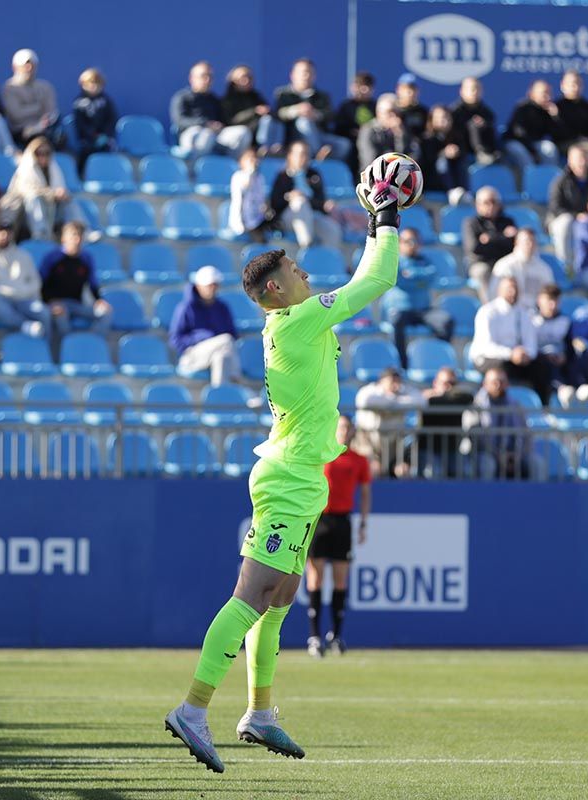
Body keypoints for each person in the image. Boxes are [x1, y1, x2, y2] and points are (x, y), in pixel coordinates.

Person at [165, 176, 403, 771]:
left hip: (303, 473)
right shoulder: (296, 320)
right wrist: (386, 215)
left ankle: (260, 712)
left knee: (280, 599)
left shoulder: (294, 323)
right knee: (253, 593)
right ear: (275, 287)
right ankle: (193, 709)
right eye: (296, 268)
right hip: (290, 475)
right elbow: (376, 280)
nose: (306, 273)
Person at [305, 415, 371, 657]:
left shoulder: (359, 460)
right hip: (320, 520)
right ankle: (314, 636)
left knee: (341, 579)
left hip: (343, 521)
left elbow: (365, 493)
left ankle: (336, 634)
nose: (343, 431)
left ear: (352, 431)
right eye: (340, 427)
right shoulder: (321, 454)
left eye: (347, 427)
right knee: (316, 577)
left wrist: (364, 523)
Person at [471, 277, 552, 405]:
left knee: (542, 364)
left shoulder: (523, 313)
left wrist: (526, 355)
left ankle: (544, 408)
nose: (512, 292)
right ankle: (501, 407)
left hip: (517, 358)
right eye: (509, 288)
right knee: (503, 369)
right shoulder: (488, 312)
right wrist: (511, 354)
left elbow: (531, 343)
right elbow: (487, 346)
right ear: (499, 290)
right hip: (489, 358)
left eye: (515, 288)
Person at [383, 228, 455, 369]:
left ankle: (437, 360)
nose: (411, 245)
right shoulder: (394, 261)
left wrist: (411, 276)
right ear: (399, 243)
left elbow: (431, 275)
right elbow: (400, 281)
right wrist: (419, 280)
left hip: (423, 311)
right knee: (395, 321)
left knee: (446, 321)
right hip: (400, 311)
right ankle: (402, 366)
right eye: (406, 241)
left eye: (414, 241)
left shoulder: (425, 261)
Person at [0, 223, 51, 338]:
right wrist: (9, 291)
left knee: (44, 312)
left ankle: (47, 349)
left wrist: (24, 291)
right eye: (0, 232)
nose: (4, 235)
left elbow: (36, 281)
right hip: (0, 301)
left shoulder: (23, 256)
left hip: (23, 299)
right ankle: (24, 325)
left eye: (8, 232)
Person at [168, 266, 240, 386]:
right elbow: (175, 340)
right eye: (209, 285)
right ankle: (240, 383)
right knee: (226, 340)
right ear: (198, 286)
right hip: (191, 358)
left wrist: (213, 341)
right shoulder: (185, 308)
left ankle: (218, 398)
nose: (212, 289)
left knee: (221, 357)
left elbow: (233, 333)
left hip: (218, 352)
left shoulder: (222, 308)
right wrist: (200, 337)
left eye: (215, 285)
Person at [1, 136, 83, 241]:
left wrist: (61, 194)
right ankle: (40, 234)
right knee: (34, 198)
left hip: (51, 209)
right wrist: (52, 193)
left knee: (69, 199)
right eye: (39, 153)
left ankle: (82, 231)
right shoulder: (25, 169)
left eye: (47, 153)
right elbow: (27, 191)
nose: (43, 156)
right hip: (25, 214)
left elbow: (59, 189)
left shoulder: (54, 169)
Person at [39, 222, 112, 336]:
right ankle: (69, 349)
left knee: (106, 313)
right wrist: (49, 303)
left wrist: (99, 300)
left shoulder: (86, 258)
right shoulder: (52, 258)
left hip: (76, 304)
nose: (77, 239)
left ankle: (90, 344)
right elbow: (40, 283)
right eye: (73, 235)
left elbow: (93, 284)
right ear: (63, 237)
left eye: (80, 235)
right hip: (57, 304)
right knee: (61, 318)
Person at [273, 58, 351, 161]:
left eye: (310, 72)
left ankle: (320, 160)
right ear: (292, 75)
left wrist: (315, 114)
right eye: (303, 73)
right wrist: (296, 110)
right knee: (303, 122)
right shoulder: (282, 94)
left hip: (317, 136)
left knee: (344, 145)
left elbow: (330, 115)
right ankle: (316, 157)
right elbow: (278, 114)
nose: (306, 76)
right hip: (291, 138)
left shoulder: (322, 95)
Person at [171, 61, 252, 159]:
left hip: (215, 136)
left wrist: (218, 126)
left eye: (210, 76)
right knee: (206, 134)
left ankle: (229, 168)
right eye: (203, 76)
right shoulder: (182, 97)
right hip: (192, 134)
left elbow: (224, 122)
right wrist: (205, 124)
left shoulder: (214, 100)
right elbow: (179, 120)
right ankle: (193, 171)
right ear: (192, 78)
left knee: (242, 132)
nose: (207, 80)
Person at [267, 141, 341, 247]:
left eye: (306, 154)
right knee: (299, 203)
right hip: (290, 217)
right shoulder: (282, 176)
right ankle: (306, 245)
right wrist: (289, 197)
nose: (303, 157)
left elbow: (321, 202)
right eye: (300, 154)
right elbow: (275, 203)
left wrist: (307, 199)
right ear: (290, 155)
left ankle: (329, 259)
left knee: (331, 229)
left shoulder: (314, 175)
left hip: (312, 215)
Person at [354, 367, 421, 478]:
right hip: (368, 446)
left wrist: (391, 401)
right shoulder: (369, 391)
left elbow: (420, 401)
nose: (396, 386)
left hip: (393, 448)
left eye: (398, 381)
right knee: (373, 470)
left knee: (403, 471)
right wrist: (395, 402)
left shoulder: (401, 392)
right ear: (381, 381)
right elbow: (366, 401)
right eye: (392, 381)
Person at [548, 144, 588, 268]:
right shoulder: (560, 181)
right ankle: (566, 266)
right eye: (579, 158)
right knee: (565, 222)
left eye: (585, 158)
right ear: (570, 160)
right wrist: (576, 215)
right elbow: (555, 207)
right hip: (564, 219)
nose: (582, 162)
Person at [470, 367, 530, 479]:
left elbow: (526, 434)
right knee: (487, 464)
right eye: (494, 382)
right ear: (485, 384)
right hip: (486, 454)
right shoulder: (476, 406)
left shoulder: (516, 406)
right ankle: (487, 496)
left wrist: (518, 455)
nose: (498, 385)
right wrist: (498, 455)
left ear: (507, 384)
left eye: (501, 382)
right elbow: (476, 438)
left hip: (514, 454)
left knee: (535, 464)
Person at [417, 367, 474, 479]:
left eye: (452, 383)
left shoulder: (459, 398)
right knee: (433, 473)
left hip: (452, 450)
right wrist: (431, 397)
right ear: (435, 383)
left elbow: (468, 397)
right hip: (429, 450)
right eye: (445, 383)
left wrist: (436, 396)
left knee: (466, 472)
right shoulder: (424, 400)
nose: (449, 387)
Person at [462, 187, 517, 301]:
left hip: (504, 263)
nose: (491, 206)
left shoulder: (508, 221)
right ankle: (491, 308)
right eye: (486, 202)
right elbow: (474, 248)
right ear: (478, 205)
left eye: (494, 202)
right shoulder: (471, 223)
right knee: (483, 271)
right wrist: (502, 237)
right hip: (482, 263)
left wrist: (489, 239)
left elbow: (514, 245)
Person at [2, 49, 60, 148]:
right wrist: (39, 107)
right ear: (15, 67)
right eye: (25, 65)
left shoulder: (46, 87)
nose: (29, 68)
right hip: (21, 133)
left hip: (46, 130)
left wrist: (41, 124)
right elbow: (16, 115)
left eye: (32, 64)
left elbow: (51, 112)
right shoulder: (9, 88)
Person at [221, 64, 283, 156]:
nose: (247, 80)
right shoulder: (227, 100)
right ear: (233, 80)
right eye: (243, 77)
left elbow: (269, 111)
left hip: (258, 131)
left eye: (249, 77)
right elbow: (231, 120)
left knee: (273, 121)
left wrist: (267, 111)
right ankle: (262, 148)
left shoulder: (256, 96)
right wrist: (254, 111)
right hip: (241, 136)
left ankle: (275, 149)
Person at [502, 80, 561, 173]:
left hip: (535, 143)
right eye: (544, 93)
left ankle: (550, 182)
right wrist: (532, 151)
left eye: (549, 93)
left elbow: (556, 135)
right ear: (532, 93)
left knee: (549, 148)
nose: (548, 97)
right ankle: (532, 182)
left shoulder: (548, 110)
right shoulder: (522, 107)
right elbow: (519, 133)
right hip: (515, 142)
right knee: (522, 154)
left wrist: (555, 117)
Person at [356, 94, 421, 176]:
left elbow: (411, 156)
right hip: (374, 178)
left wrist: (400, 136)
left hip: (400, 177)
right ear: (379, 113)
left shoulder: (403, 130)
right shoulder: (368, 130)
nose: (393, 116)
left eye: (396, 112)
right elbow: (370, 160)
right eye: (389, 112)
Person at [420, 105, 469, 206]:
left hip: (455, 177)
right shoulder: (427, 139)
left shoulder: (457, 137)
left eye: (447, 117)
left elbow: (463, 154)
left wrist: (456, 153)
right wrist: (444, 153)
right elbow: (428, 161)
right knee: (442, 160)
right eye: (440, 118)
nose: (444, 121)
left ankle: (463, 190)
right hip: (433, 181)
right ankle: (451, 190)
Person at [492, 228, 553, 308]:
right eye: (526, 241)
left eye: (533, 241)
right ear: (516, 242)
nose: (530, 244)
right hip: (509, 313)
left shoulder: (543, 268)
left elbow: (550, 295)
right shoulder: (504, 265)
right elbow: (494, 295)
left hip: (535, 315)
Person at [70, 68, 118, 169]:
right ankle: (81, 177)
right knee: (85, 152)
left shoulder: (106, 101)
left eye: (97, 83)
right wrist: (93, 135)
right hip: (86, 140)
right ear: (83, 84)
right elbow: (80, 123)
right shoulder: (78, 103)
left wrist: (105, 135)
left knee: (107, 151)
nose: (94, 86)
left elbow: (111, 119)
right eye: (90, 83)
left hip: (104, 139)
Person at [333, 71, 376, 172]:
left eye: (368, 86)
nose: (365, 90)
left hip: (372, 140)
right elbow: (339, 128)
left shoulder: (376, 106)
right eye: (362, 86)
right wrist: (354, 132)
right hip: (352, 141)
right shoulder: (346, 106)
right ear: (354, 87)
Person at [449, 76, 498, 165]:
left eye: (477, 89)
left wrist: (484, 125)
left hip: (486, 151)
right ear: (461, 91)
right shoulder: (453, 112)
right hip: (460, 151)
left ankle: (484, 154)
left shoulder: (487, 113)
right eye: (471, 89)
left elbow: (492, 134)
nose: (474, 92)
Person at [533, 284, 573, 392]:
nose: (553, 305)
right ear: (539, 300)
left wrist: (565, 356)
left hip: (560, 360)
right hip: (538, 360)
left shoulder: (565, 322)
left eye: (556, 301)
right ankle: (559, 388)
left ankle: (580, 387)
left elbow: (570, 346)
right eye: (549, 300)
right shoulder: (531, 321)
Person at [554, 71, 588, 156]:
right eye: (572, 84)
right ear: (562, 86)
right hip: (565, 143)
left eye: (579, 84)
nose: (575, 87)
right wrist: (578, 139)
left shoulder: (587, 105)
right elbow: (557, 133)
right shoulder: (557, 106)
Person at [229, 148, 269, 240]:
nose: (253, 161)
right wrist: (250, 172)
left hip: (258, 219)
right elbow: (242, 191)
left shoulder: (259, 178)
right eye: (249, 158)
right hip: (243, 219)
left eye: (255, 158)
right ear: (241, 162)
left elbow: (261, 199)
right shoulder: (237, 176)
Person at [393, 73, 428, 139]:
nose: (411, 93)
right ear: (398, 89)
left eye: (414, 89)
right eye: (407, 89)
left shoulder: (423, 112)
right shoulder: (392, 110)